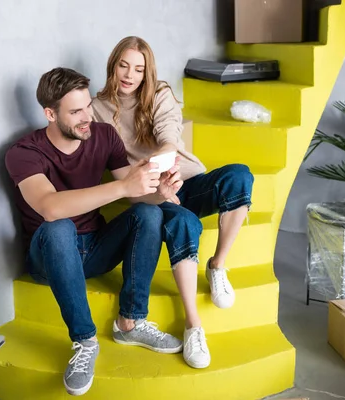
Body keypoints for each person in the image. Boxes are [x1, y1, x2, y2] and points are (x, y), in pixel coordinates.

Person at [5, 67, 186, 396]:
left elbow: (133, 193)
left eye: (88, 106)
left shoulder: (103, 135)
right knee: (58, 227)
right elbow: (50, 207)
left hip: (96, 248)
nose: (87, 117)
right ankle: (85, 341)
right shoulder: (23, 153)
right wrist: (123, 188)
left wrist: (159, 192)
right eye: (75, 112)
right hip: (50, 257)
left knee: (147, 213)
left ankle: (131, 322)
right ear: (50, 113)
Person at [92, 36, 255, 370]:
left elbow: (169, 135)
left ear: (146, 71)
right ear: (113, 65)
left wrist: (166, 163)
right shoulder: (97, 110)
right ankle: (194, 326)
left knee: (240, 176)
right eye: (124, 65)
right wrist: (159, 186)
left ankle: (217, 265)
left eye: (138, 68)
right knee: (182, 222)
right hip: (152, 194)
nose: (130, 75)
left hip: (187, 180)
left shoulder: (160, 93)